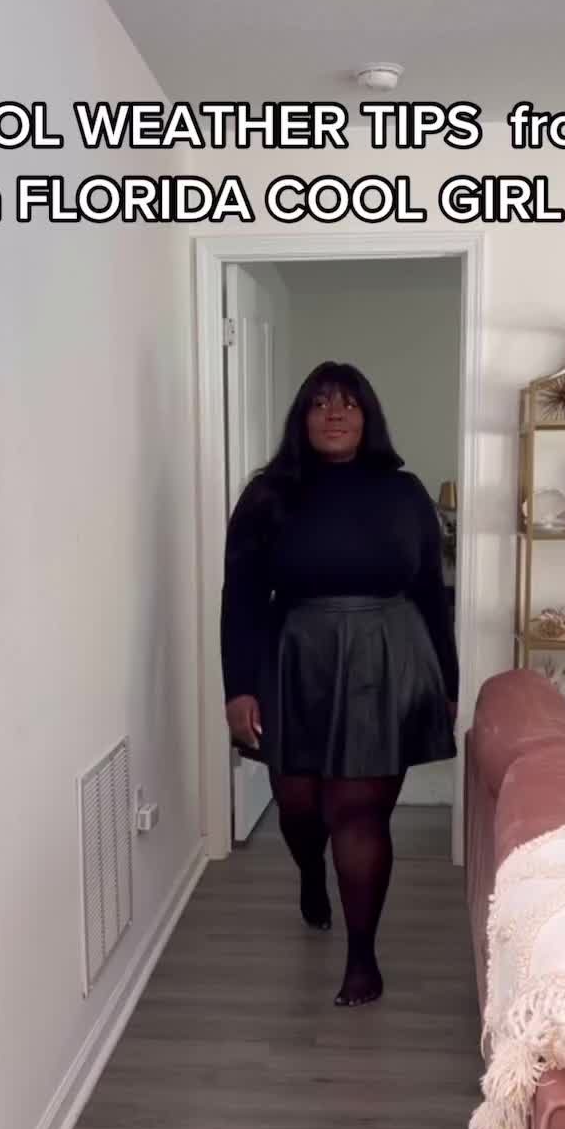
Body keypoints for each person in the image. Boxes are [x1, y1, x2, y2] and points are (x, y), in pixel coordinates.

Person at [220, 361, 459, 1008]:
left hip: (387, 659)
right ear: (302, 418)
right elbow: (242, 598)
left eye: (349, 403)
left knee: (360, 811)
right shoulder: (267, 495)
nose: (334, 413)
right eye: (320, 402)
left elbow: (430, 592)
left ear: (367, 417)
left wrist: (447, 681)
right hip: (294, 658)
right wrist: (239, 688)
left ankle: (361, 958)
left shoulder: (404, 494)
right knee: (299, 807)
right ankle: (311, 874)